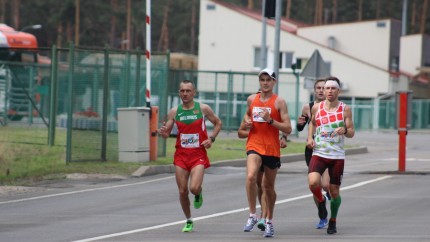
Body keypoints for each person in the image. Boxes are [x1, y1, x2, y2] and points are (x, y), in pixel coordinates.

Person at [158, 80, 222, 233]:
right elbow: (167, 133)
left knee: (193, 188)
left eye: (188, 91)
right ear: (179, 93)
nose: (185, 94)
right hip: (181, 155)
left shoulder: (203, 109)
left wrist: (211, 138)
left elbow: (218, 123)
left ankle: (198, 193)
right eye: (182, 91)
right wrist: (163, 133)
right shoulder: (174, 111)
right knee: (182, 191)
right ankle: (188, 220)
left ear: (194, 93)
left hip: (198, 154)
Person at [242, 68, 292, 237]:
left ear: (274, 82)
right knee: (251, 176)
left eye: (268, 80)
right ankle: (252, 215)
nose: (265, 82)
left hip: (271, 148)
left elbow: (288, 128)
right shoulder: (251, 100)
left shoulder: (279, 102)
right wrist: (247, 124)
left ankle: (269, 220)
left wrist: (270, 121)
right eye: (262, 79)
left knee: (268, 187)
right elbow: (242, 128)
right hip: (254, 145)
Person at [306, 76, 355, 235]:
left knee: (334, 192)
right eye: (327, 88)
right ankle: (321, 202)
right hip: (319, 152)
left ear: (338, 91)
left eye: (333, 88)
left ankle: (333, 220)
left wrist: (345, 131)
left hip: (337, 156)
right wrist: (309, 138)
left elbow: (352, 132)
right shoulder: (316, 107)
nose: (329, 91)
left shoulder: (345, 109)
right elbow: (313, 123)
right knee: (313, 183)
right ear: (323, 90)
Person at [237, 112, 287, 232]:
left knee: (267, 186)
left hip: (271, 150)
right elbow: (240, 133)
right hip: (256, 148)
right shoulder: (251, 112)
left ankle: (265, 217)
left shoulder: (276, 106)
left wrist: (284, 137)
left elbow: (286, 126)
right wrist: (252, 131)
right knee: (258, 183)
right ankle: (258, 215)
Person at [296, 78, 331, 229]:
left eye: (324, 88)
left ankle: (327, 193)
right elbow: (300, 127)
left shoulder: (333, 107)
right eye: (318, 88)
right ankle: (322, 214)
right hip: (312, 150)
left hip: (328, 149)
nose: (321, 90)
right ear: (314, 90)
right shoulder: (307, 107)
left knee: (326, 185)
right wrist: (300, 123)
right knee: (314, 184)